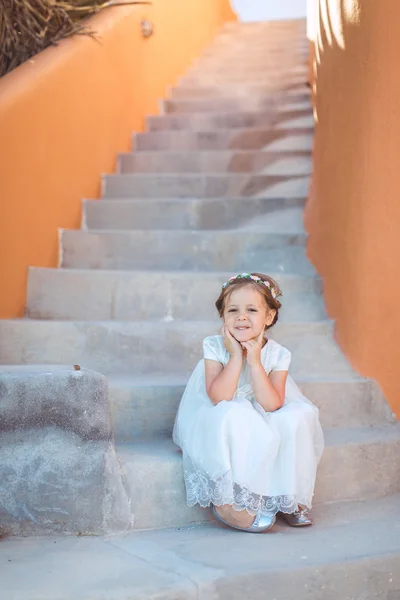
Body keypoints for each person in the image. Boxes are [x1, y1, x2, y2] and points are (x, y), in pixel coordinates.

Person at [173, 272, 324, 532]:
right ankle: (232, 501)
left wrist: (255, 361)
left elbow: (271, 404)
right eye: (233, 310)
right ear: (223, 317)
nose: (241, 317)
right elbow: (220, 398)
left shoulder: (277, 354)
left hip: (264, 405)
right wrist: (235, 356)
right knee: (235, 413)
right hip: (224, 411)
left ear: (269, 316)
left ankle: (286, 497)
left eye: (251, 309)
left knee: (297, 415)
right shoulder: (215, 346)